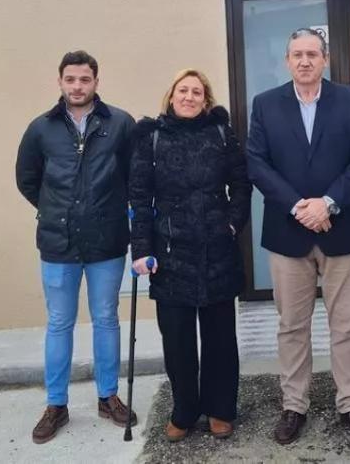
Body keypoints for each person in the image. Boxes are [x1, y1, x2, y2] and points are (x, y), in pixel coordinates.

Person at [246, 27, 350, 445]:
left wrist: (329, 203)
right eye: (297, 54)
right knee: (291, 325)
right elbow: (257, 163)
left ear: (325, 59)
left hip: (342, 229)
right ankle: (294, 405)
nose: (304, 61)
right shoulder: (265, 104)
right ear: (287, 60)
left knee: (347, 324)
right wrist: (300, 206)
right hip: (288, 233)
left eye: (312, 54)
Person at [15, 50, 137, 444]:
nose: (77, 86)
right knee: (59, 323)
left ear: (96, 82)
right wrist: (56, 210)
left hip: (107, 240)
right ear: (60, 82)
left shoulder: (120, 124)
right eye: (70, 79)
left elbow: (134, 176)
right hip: (58, 242)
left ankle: (108, 396)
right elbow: (27, 179)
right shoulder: (41, 128)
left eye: (85, 79)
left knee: (106, 318)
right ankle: (56, 404)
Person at [129, 69, 252, 442]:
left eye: (197, 92)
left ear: (206, 99)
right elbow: (139, 198)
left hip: (217, 250)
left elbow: (241, 183)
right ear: (171, 96)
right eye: (183, 90)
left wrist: (232, 224)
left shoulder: (221, 134)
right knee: (178, 341)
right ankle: (184, 410)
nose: (189, 96)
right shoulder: (151, 138)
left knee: (220, 339)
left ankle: (220, 410)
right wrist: (142, 250)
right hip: (170, 254)